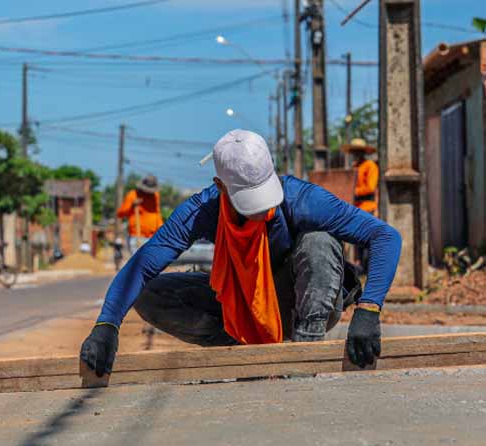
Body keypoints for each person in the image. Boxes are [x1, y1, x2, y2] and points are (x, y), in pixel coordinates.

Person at [80, 129, 402, 377]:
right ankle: (245, 355)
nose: (262, 212)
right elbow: (142, 266)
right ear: (220, 186)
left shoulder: (302, 198)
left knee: (319, 241)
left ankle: (303, 353)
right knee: (150, 294)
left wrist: (368, 311)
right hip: (243, 309)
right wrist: (106, 325)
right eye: (251, 203)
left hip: (300, 303)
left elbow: (385, 237)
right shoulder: (201, 211)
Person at [343, 138, 380, 273]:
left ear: (363, 152)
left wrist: (353, 191)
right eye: (354, 151)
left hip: (367, 207)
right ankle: (360, 268)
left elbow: (370, 187)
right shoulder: (354, 168)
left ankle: (368, 268)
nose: (355, 154)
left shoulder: (370, 166)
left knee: (366, 242)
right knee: (357, 241)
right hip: (355, 208)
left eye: (357, 151)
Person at [116, 174, 163, 253]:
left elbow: (157, 213)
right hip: (137, 236)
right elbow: (120, 214)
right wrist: (132, 205)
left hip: (152, 237)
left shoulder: (155, 196)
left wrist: (161, 230)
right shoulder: (133, 195)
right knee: (138, 263)